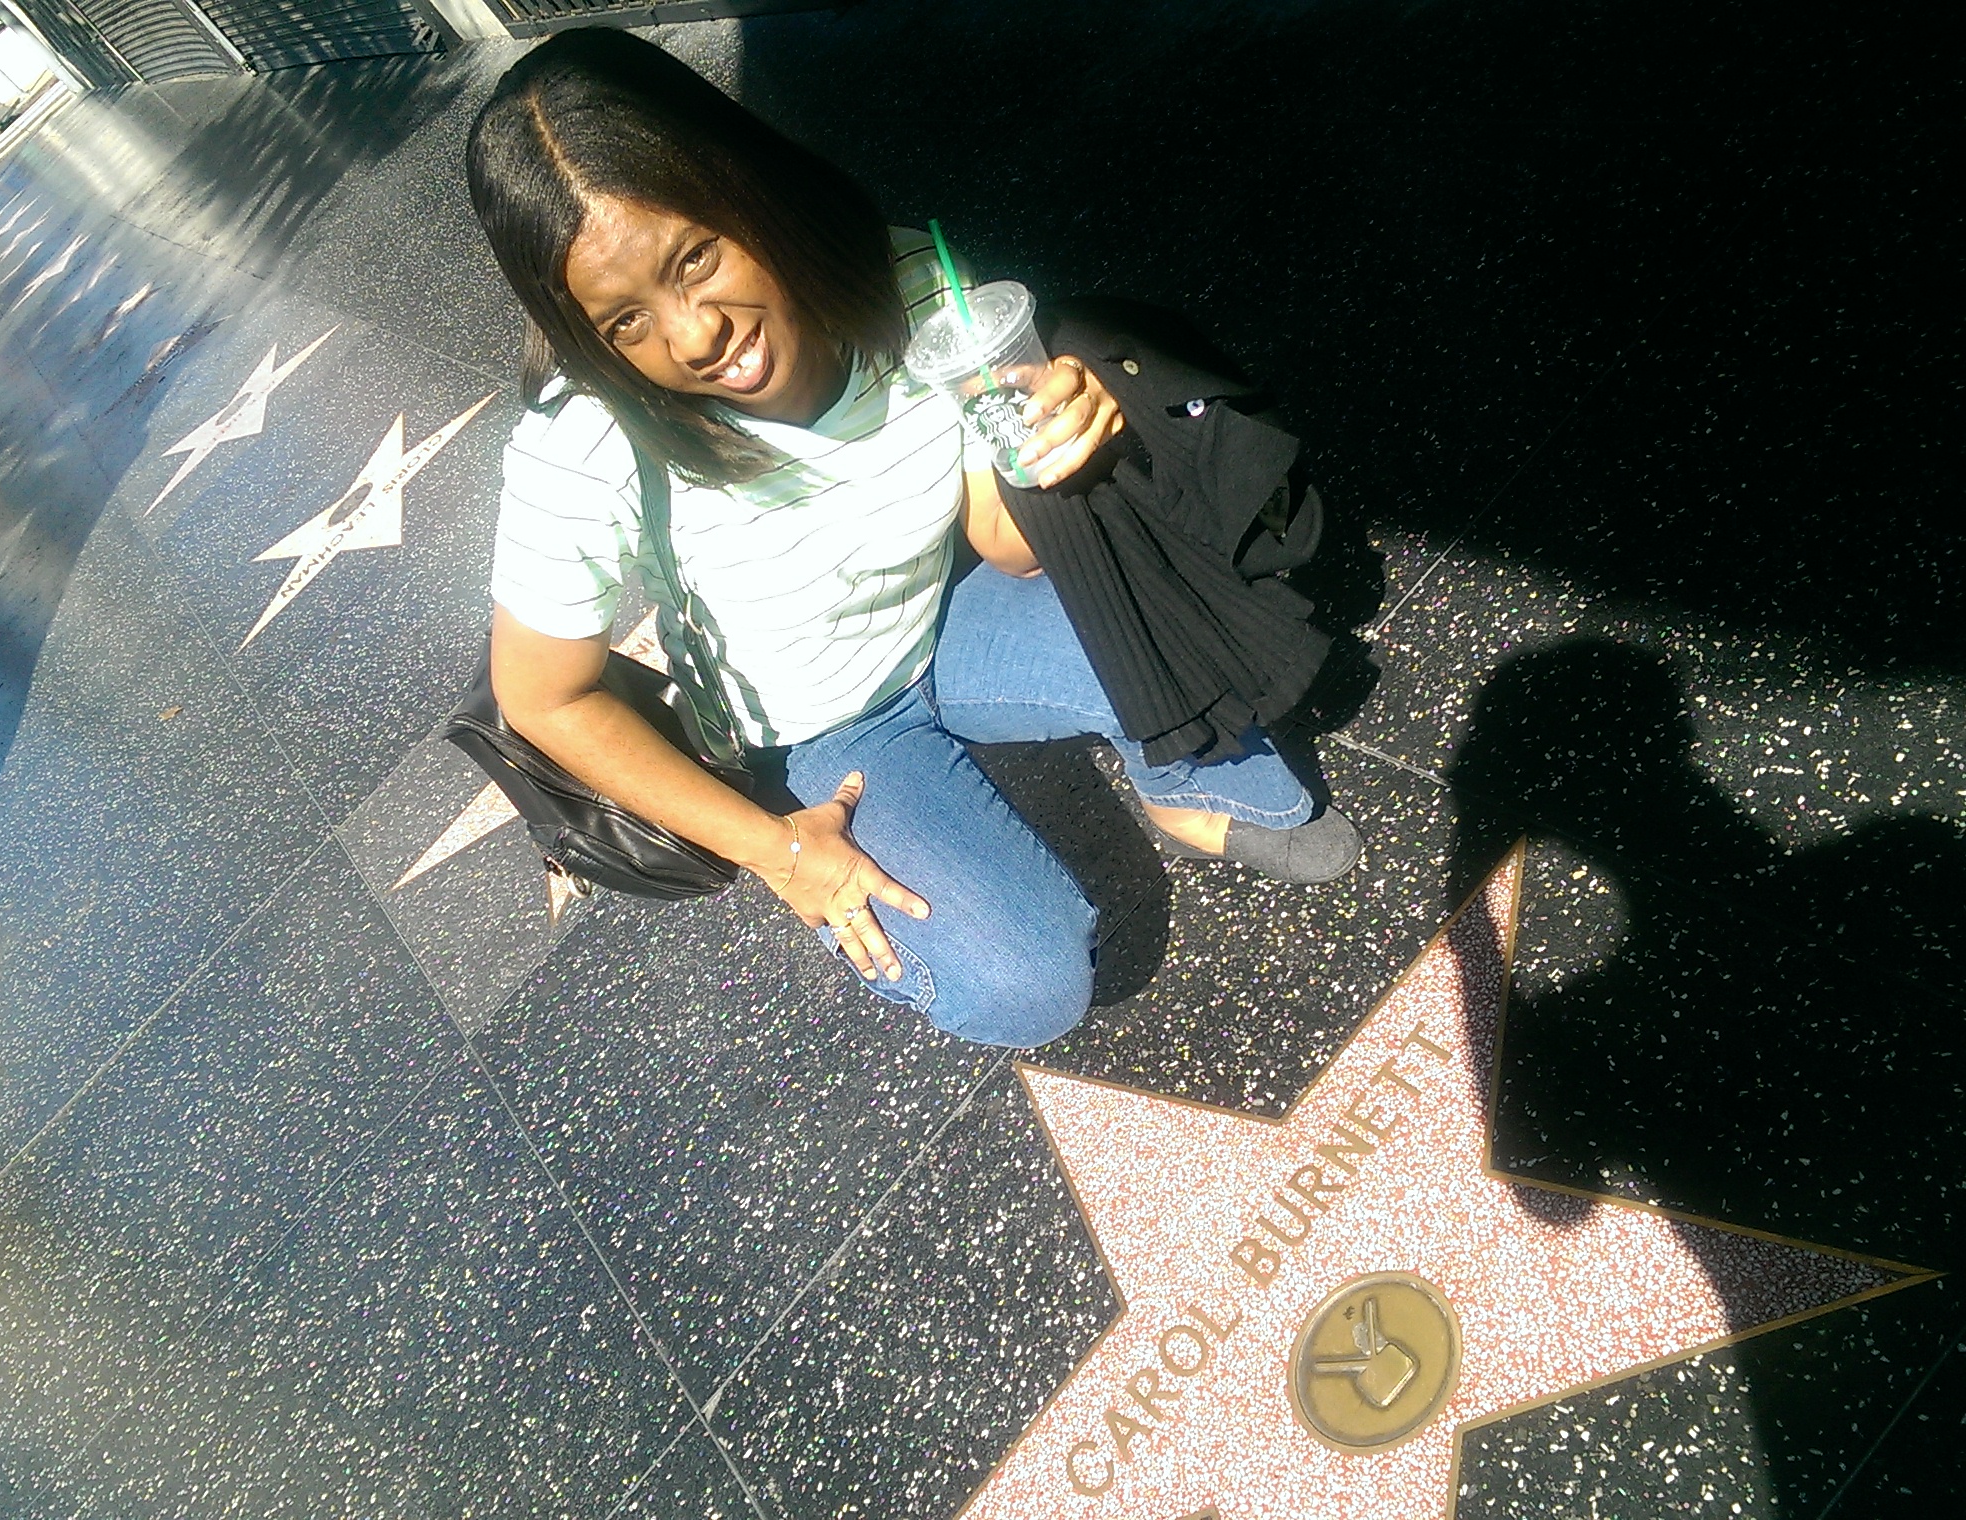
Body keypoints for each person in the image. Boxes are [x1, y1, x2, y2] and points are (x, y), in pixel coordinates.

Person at [467, 31, 1361, 1050]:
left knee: (1182, 625)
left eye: (696, 257)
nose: (693, 334)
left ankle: (1177, 784)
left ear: (744, 181)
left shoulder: (910, 284)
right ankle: (900, 878)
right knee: (1029, 986)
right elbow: (542, 696)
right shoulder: (585, 442)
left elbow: (1008, 547)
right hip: (821, 733)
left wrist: (1056, 427)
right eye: (625, 322)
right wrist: (778, 852)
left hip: (951, 615)